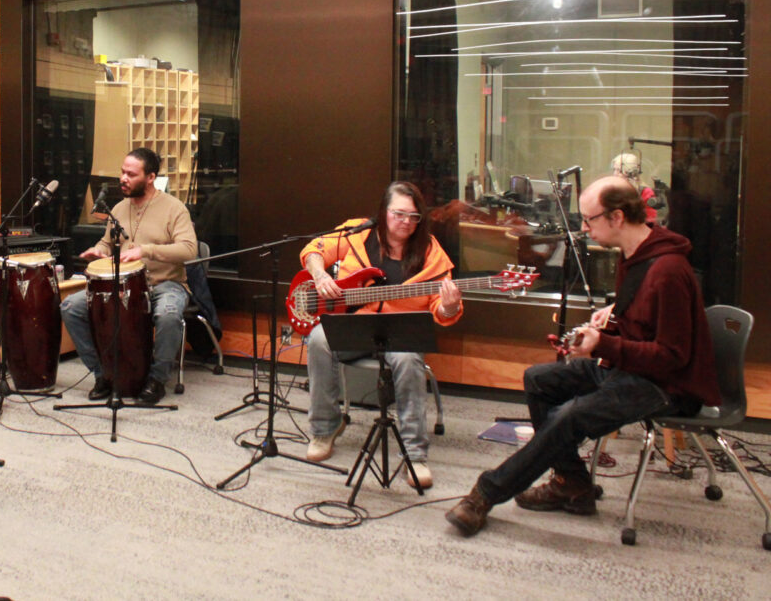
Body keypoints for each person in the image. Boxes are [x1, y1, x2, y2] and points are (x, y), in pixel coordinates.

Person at [446, 175, 720, 536]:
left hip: (665, 386)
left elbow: (672, 356)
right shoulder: (636, 255)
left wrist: (603, 344)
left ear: (617, 217)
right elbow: (644, 322)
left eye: (589, 220)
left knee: (569, 417)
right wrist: (613, 315)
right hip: (631, 369)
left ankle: (485, 493)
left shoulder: (667, 271)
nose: (585, 229)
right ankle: (572, 483)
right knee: (539, 380)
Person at [300, 181, 463, 488]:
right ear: (383, 212)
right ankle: (325, 429)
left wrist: (450, 307)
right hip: (356, 323)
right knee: (320, 340)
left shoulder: (431, 253)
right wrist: (320, 275)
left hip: (401, 331)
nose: (406, 222)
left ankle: (415, 454)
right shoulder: (357, 233)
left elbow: (442, 312)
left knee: (409, 360)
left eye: (414, 217)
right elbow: (313, 250)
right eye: (399, 214)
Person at [61, 147, 198, 404]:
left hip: (165, 284)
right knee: (71, 307)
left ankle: (156, 380)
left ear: (150, 178)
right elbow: (107, 242)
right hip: (121, 285)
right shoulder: (119, 208)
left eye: (131, 174)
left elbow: (189, 250)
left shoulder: (174, 209)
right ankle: (103, 375)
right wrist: (98, 250)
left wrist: (146, 251)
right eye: (122, 172)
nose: (123, 178)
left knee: (168, 315)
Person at [611, 152, 659, 224]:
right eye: (614, 170)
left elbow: (650, 222)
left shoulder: (646, 192)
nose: (615, 174)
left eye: (619, 171)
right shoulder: (611, 190)